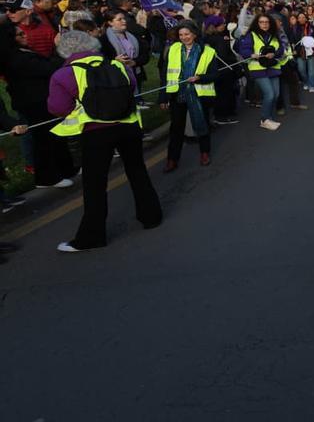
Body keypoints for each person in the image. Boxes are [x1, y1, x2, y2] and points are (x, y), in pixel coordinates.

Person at [48, 31, 162, 252]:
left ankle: (92, 235)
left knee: (95, 184)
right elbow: (131, 87)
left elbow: (58, 108)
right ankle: (151, 217)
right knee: (138, 172)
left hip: (96, 131)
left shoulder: (64, 74)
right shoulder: (117, 65)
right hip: (128, 125)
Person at [2, 26, 75, 188]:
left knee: (56, 135)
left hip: (41, 99)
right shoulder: (17, 57)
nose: (25, 35)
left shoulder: (23, 53)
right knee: (44, 139)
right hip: (34, 102)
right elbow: (48, 68)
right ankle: (47, 177)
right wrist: (57, 49)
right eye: (20, 34)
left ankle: (66, 169)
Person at [159, 20, 218, 172]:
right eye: (181, 35)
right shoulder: (173, 49)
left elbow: (214, 75)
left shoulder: (208, 51)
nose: (184, 37)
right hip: (177, 95)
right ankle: (172, 159)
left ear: (194, 34)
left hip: (198, 95)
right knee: (176, 129)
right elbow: (165, 74)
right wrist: (163, 97)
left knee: (202, 124)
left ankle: (204, 153)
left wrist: (200, 78)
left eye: (187, 34)